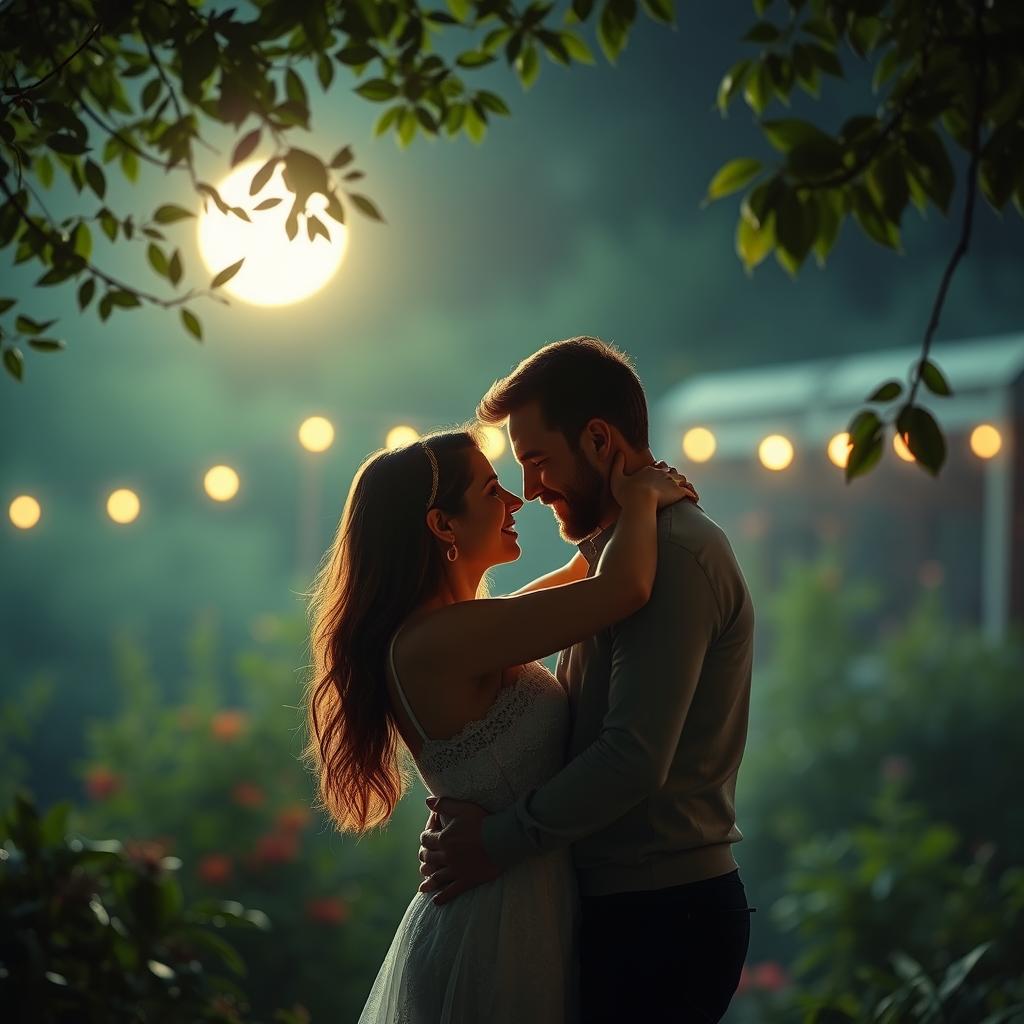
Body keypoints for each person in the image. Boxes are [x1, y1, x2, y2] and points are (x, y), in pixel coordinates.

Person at [303, 422, 696, 1023]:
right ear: (442, 525)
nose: (516, 500)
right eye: (492, 491)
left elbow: (576, 579)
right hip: (497, 923)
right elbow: (623, 588)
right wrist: (642, 497)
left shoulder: (463, 628)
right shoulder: (438, 640)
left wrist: (617, 505)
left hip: (518, 897)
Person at [418, 336, 756, 1022]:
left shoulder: (675, 558)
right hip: (620, 904)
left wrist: (495, 843)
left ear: (600, 440)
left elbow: (632, 758)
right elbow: (525, 621)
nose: (531, 489)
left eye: (538, 460)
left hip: (661, 914)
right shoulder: (617, 562)